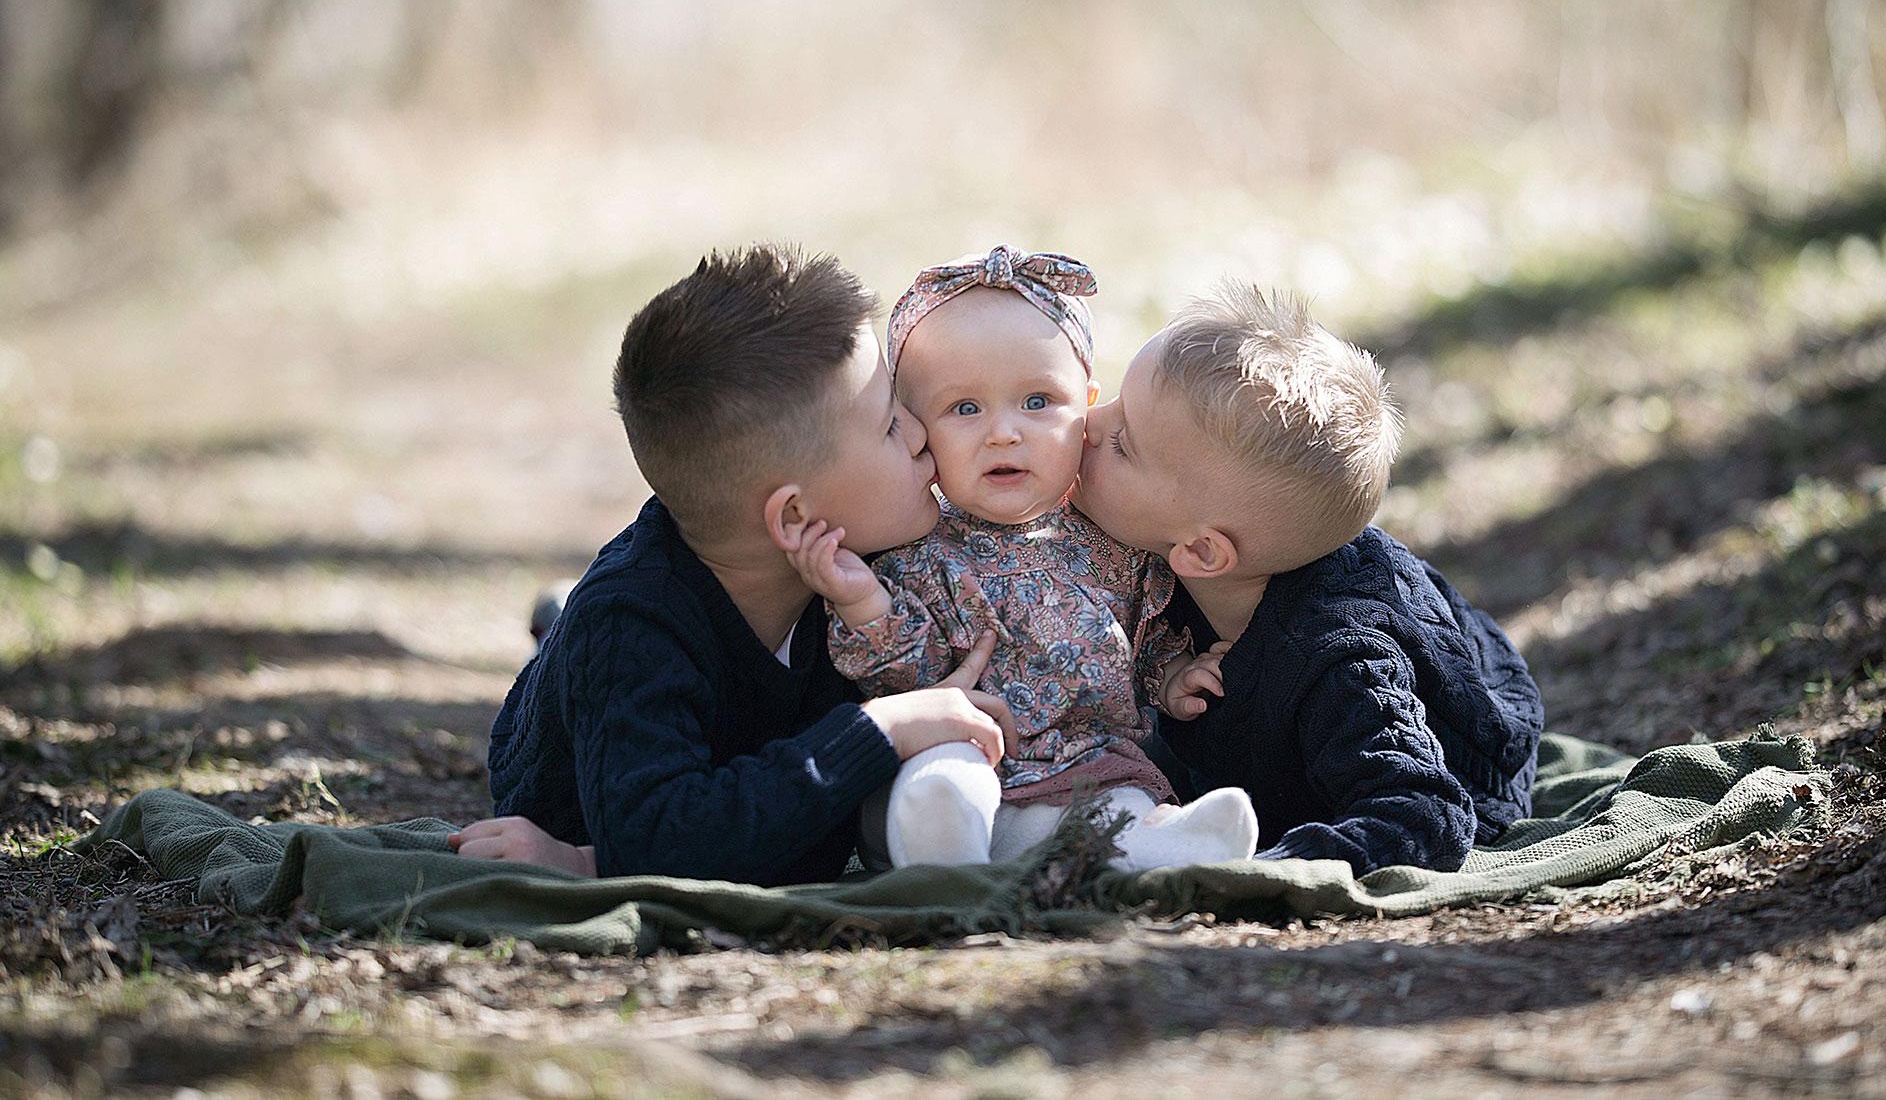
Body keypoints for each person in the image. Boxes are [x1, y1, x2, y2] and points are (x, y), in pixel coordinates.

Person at [448, 245, 1019, 884]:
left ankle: (556, 617)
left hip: (719, 698)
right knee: (592, 634)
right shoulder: (631, 630)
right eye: (889, 425)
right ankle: (559, 628)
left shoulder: (863, 556)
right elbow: (660, 841)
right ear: (795, 519)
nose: (920, 434)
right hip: (590, 761)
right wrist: (882, 728)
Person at [789, 246, 1258, 870]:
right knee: (944, 774)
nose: (1004, 432)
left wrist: (1170, 678)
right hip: (955, 745)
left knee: (1116, 801)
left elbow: (1136, 638)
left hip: (1083, 763)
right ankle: (941, 837)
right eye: (965, 408)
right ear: (914, 427)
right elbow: (903, 678)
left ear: (1086, 408)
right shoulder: (916, 542)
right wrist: (861, 600)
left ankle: (1167, 847)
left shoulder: (1112, 536)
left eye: (1037, 401)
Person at [1070, 281, 1545, 876]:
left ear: (1202, 550)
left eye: (1120, 442)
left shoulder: (1342, 665)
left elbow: (1427, 812)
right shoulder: (1166, 548)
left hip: (1455, 763)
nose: (1086, 422)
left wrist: (1278, 866)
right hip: (1257, 735)